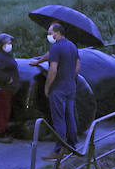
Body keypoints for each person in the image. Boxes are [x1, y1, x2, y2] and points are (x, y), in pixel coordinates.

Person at [32, 22, 80, 155]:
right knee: (70, 116)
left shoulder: (55, 48)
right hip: (71, 87)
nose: (49, 35)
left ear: (57, 33)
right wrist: (38, 61)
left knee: (58, 119)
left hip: (58, 89)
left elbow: (52, 69)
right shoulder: (72, 46)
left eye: (50, 33)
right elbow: (77, 68)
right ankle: (72, 145)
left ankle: (59, 150)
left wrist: (47, 87)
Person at [0, 33, 20, 141]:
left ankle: (2, 130)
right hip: (1, 88)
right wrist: (7, 79)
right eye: (8, 43)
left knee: (4, 110)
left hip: (5, 88)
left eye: (10, 43)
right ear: (1, 44)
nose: (10, 45)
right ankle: (0, 133)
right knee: (2, 110)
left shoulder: (4, 55)